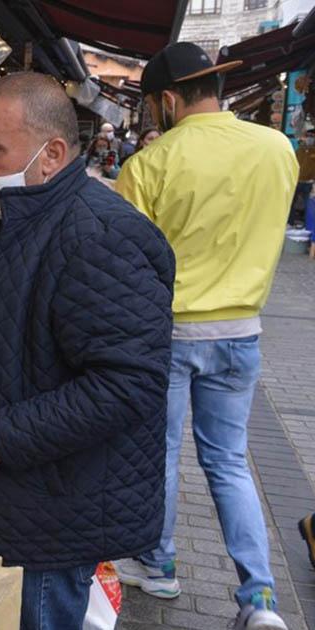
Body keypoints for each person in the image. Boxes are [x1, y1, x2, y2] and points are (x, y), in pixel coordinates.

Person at [0, 71, 175, 630]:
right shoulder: (17, 220)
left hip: (46, 521)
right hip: (12, 504)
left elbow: (127, 383)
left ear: (51, 154)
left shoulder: (98, 235)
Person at [114, 42, 299, 630]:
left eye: (150, 106)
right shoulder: (279, 148)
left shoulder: (148, 165)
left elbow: (125, 263)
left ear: (168, 99)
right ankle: (260, 599)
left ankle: (159, 565)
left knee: (160, 455)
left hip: (166, 334)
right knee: (228, 463)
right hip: (242, 332)